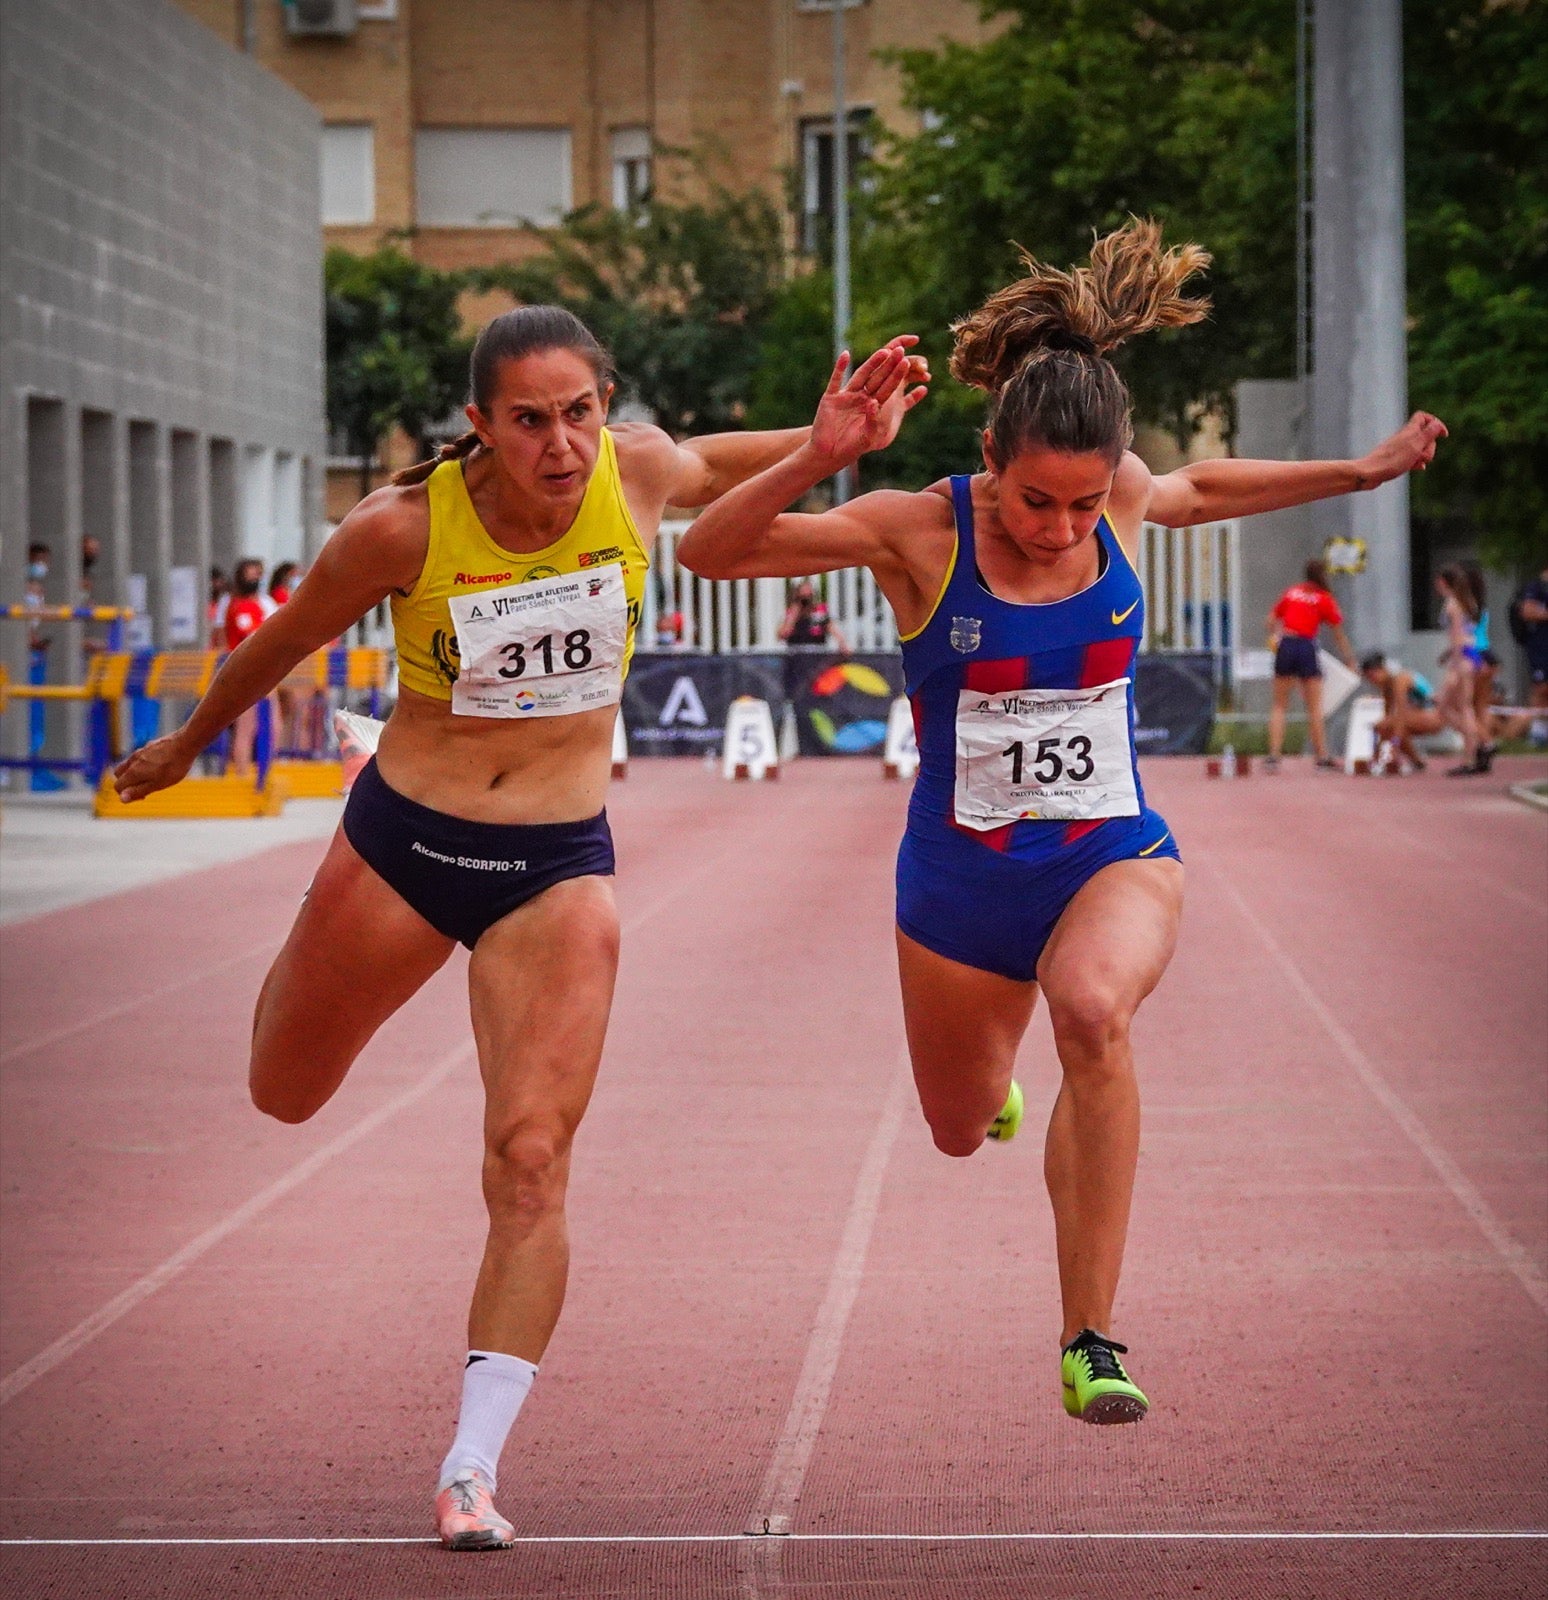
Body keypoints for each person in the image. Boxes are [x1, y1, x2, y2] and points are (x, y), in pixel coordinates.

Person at [112, 306, 922, 1550]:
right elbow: (282, 641)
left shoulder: (633, 471)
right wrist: (184, 744)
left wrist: (829, 444)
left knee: (532, 1160)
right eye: (530, 420)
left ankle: (471, 1467)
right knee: (283, 1091)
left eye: (580, 413)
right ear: (480, 424)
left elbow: (720, 460)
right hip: (404, 847)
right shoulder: (400, 529)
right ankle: (308, 953)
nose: (561, 444)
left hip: (554, 863)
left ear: (607, 408)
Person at [677, 219, 1446, 1426]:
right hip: (960, 884)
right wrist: (819, 456)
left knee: (1094, 1014)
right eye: (1036, 500)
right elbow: (706, 551)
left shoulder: (1122, 499)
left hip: (1108, 852)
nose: (1058, 527)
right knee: (950, 1126)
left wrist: (1357, 473)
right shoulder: (918, 530)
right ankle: (993, 1090)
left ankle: (1091, 1334)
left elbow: (1201, 487)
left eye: (1084, 505)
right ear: (990, 456)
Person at [1263, 558, 1354, 771]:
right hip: (1306, 646)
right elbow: (1338, 632)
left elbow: (1269, 620)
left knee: (1279, 704)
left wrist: (1277, 635)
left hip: (1286, 643)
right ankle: (1322, 756)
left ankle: (1274, 756)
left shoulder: (1291, 592)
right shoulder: (1324, 598)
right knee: (1314, 706)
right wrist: (1349, 658)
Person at [1434, 563, 1483, 776]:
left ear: (1444, 582)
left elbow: (1456, 636)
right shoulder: (1466, 602)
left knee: (1459, 707)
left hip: (1462, 658)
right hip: (1470, 654)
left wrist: (1453, 660)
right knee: (1459, 706)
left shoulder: (1452, 605)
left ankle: (1471, 753)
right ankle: (1474, 745)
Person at [1359, 652, 1443, 773]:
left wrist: (1394, 745)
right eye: (1368, 678)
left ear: (1382, 669)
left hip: (1434, 716)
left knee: (1393, 724)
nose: (1372, 681)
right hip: (1417, 715)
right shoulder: (1386, 686)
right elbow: (1386, 719)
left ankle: (1392, 757)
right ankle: (1417, 762)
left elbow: (1401, 715)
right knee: (1384, 725)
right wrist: (1376, 751)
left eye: (1372, 676)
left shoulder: (1400, 679)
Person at [1507, 566, 1548, 745]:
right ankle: (1538, 732)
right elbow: (1528, 611)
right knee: (1541, 687)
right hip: (1540, 647)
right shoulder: (1536, 587)